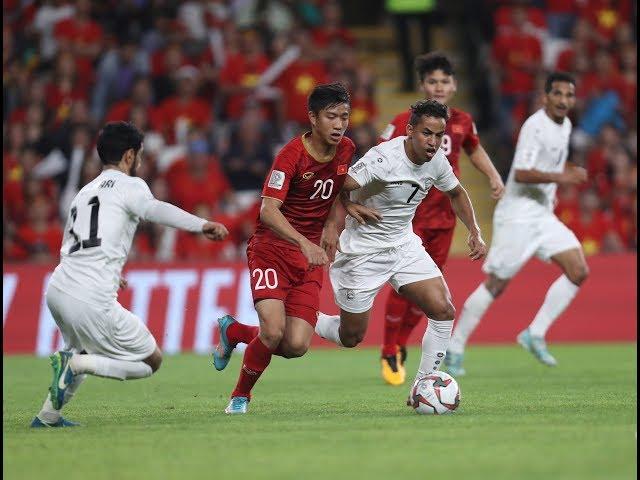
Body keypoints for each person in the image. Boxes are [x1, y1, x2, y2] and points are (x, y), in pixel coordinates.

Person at [30, 122, 229, 427]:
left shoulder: (84, 192)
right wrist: (201, 225)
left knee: (83, 346)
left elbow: (74, 244)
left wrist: (110, 273)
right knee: (150, 361)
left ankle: (47, 416)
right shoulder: (130, 185)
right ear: (129, 155)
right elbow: (156, 210)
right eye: (139, 155)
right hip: (90, 295)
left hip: (59, 287)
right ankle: (75, 365)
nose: (140, 161)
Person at [314, 99, 487, 405]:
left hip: (403, 245)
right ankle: (304, 316)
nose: (433, 142)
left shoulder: (437, 160)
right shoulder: (384, 159)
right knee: (350, 337)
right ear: (409, 131)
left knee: (443, 310)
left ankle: (421, 386)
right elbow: (335, 180)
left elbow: (456, 192)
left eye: (438, 134)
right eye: (426, 133)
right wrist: (344, 207)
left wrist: (474, 230)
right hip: (362, 252)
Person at [211, 83, 355, 415]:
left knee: (296, 345)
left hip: (309, 260)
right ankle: (240, 397)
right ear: (313, 118)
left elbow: (338, 188)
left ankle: (233, 331)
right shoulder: (291, 155)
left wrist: (334, 225)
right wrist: (305, 242)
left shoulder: (346, 149)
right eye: (331, 117)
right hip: (272, 249)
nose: (339, 124)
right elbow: (268, 210)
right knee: (273, 331)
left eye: (344, 117)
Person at [446, 72, 589, 375]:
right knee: (497, 284)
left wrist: (563, 173)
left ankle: (534, 333)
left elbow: (548, 165)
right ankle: (455, 347)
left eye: (569, 95)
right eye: (558, 94)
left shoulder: (565, 126)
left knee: (578, 270)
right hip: (518, 213)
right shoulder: (534, 127)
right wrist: (562, 177)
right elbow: (522, 173)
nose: (564, 101)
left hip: (541, 214)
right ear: (545, 96)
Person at [377, 52, 504, 385]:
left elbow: (474, 149)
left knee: (428, 294)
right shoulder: (406, 120)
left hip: (444, 221)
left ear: (454, 85)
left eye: (444, 81)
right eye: (432, 81)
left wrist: (493, 176)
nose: (439, 87)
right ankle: (389, 347)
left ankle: (401, 342)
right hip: (410, 216)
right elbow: (380, 153)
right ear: (423, 86)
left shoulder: (461, 121)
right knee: (404, 285)